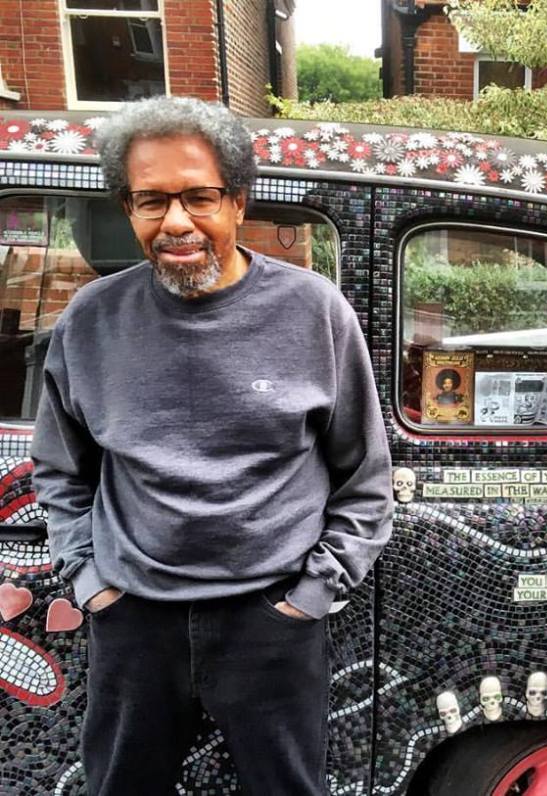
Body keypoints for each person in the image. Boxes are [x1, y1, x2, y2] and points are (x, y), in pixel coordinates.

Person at [30, 96, 393, 796]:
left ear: (238, 201)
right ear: (127, 209)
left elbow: (364, 478)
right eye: (150, 201)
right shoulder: (92, 319)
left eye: (199, 196)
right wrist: (91, 582)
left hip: (271, 619)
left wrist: (310, 596)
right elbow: (61, 468)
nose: (175, 222)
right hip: (132, 619)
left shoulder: (314, 312)